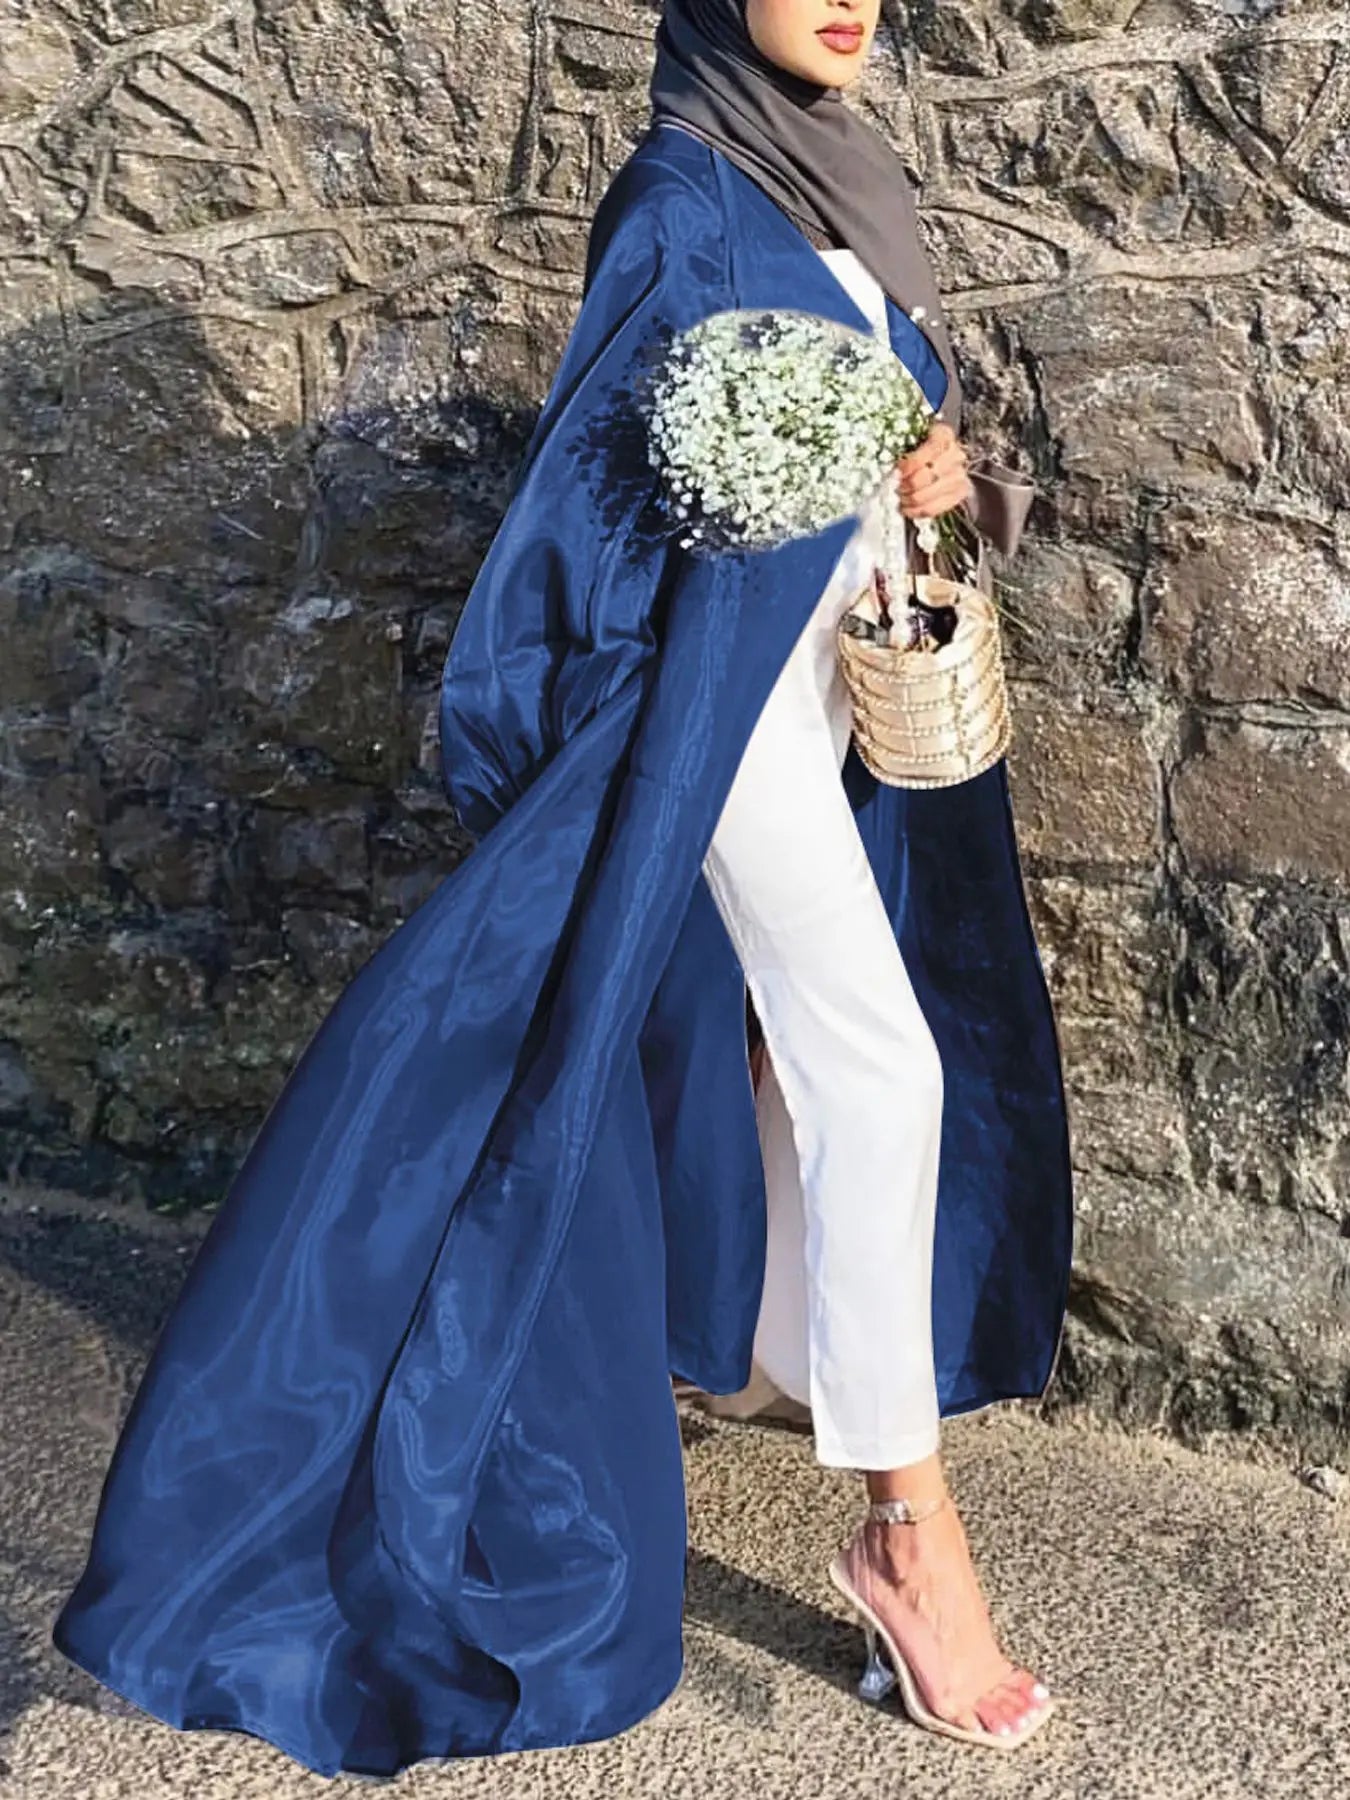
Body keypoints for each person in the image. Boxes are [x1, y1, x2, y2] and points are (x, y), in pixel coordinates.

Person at [50, 0, 1074, 1778]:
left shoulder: (838, 174)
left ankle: (745, 1348)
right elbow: (587, 505)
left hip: (841, 696)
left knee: (774, 1059)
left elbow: (866, 440)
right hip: (724, 725)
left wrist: (926, 467)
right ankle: (907, 1535)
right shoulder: (681, 193)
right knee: (879, 1066)